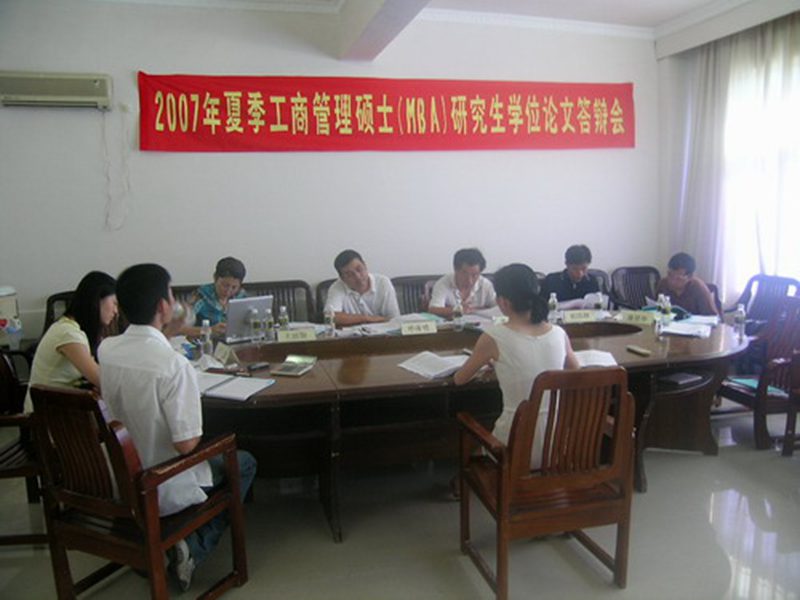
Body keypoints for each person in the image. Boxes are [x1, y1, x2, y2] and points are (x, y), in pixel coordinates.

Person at [98, 263, 256, 591]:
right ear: (162, 305)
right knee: (243, 461)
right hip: (159, 481)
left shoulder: (107, 349)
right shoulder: (174, 365)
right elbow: (187, 444)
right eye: (170, 295)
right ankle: (192, 549)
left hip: (119, 474)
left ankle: (171, 543)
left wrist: (168, 331)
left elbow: (146, 349)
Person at [454, 263, 579, 466]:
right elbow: (576, 372)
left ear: (502, 302)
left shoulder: (494, 336)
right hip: (556, 447)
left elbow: (460, 379)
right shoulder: (559, 333)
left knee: (474, 447)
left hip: (513, 450)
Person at [25, 271, 117, 411]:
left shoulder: (73, 329)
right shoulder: (68, 333)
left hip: (62, 406)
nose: (116, 311)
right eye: (114, 303)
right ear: (96, 301)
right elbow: (102, 380)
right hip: (46, 416)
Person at [324, 249, 400, 326]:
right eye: (349, 274)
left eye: (359, 269)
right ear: (342, 278)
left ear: (365, 265)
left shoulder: (383, 282)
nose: (357, 276)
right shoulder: (337, 287)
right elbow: (330, 317)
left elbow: (394, 318)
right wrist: (367, 318)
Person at [428, 248, 496, 318]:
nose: (470, 281)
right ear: (455, 269)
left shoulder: (485, 284)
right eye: (465, 274)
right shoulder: (443, 283)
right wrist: (458, 310)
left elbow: (498, 307)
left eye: (474, 275)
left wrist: (474, 310)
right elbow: (433, 309)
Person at [191, 256, 247, 335]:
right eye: (225, 285)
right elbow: (180, 328)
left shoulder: (241, 296)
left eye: (234, 287)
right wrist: (209, 330)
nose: (228, 291)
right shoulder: (201, 295)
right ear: (215, 278)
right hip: (206, 340)